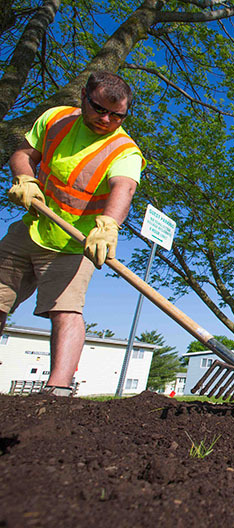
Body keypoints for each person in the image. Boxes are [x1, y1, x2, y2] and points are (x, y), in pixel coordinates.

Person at [2, 71, 145, 397]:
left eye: (117, 115)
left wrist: (108, 226)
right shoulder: (55, 119)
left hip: (76, 244)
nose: (106, 119)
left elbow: (124, 187)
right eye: (98, 109)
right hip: (33, 227)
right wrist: (25, 179)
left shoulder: (125, 150)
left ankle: (58, 390)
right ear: (84, 96)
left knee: (65, 310)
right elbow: (23, 154)